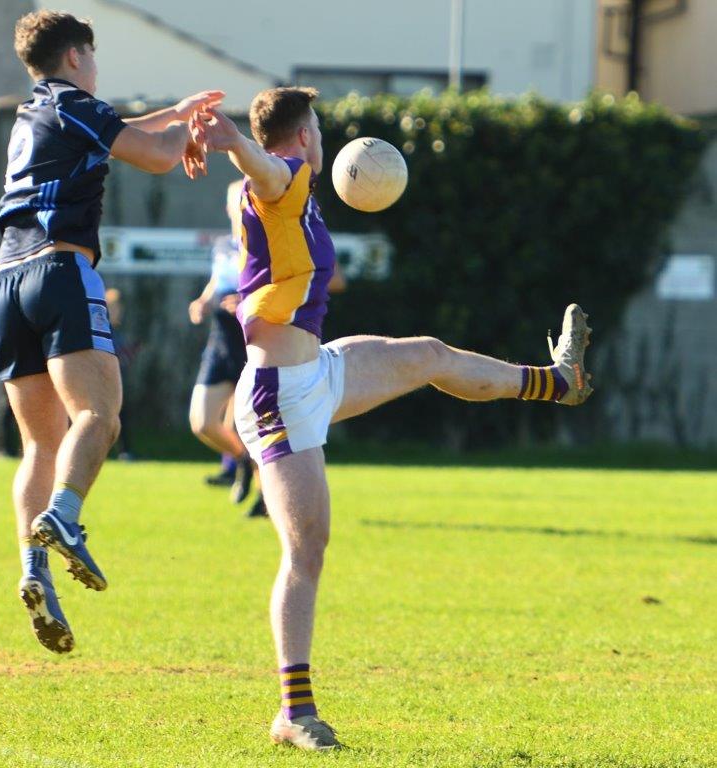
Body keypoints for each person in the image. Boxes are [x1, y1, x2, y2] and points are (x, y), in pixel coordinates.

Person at [194, 87, 593, 750]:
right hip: (279, 395)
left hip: (315, 368)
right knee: (305, 550)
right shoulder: (282, 177)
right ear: (304, 137)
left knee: (430, 355)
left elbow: (265, 188)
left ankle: (558, 382)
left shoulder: (291, 191)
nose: (321, 138)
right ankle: (293, 713)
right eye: (316, 128)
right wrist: (238, 145)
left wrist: (239, 150)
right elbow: (267, 173)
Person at [0, 9, 221, 654]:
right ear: (74, 57)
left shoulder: (37, 111)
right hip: (63, 270)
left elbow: (120, 131)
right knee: (100, 416)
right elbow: (152, 156)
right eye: (92, 57)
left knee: (41, 443)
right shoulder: (76, 101)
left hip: (6, 283)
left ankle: (33, 570)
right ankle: (63, 518)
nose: (95, 69)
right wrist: (191, 132)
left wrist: (173, 113)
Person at [188, 182, 255, 507]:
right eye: (236, 201)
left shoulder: (263, 244)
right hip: (221, 338)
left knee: (255, 425)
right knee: (202, 421)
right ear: (229, 206)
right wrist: (202, 302)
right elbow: (216, 285)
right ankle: (243, 460)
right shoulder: (223, 246)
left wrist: (246, 300)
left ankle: (268, 496)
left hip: (252, 339)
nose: (241, 205)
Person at [105, 288, 138, 461]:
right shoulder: (103, 331)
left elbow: (122, 356)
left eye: (118, 308)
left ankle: (124, 451)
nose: (117, 312)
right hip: (103, 382)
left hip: (117, 381)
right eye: (113, 308)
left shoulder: (117, 332)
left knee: (121, 416)